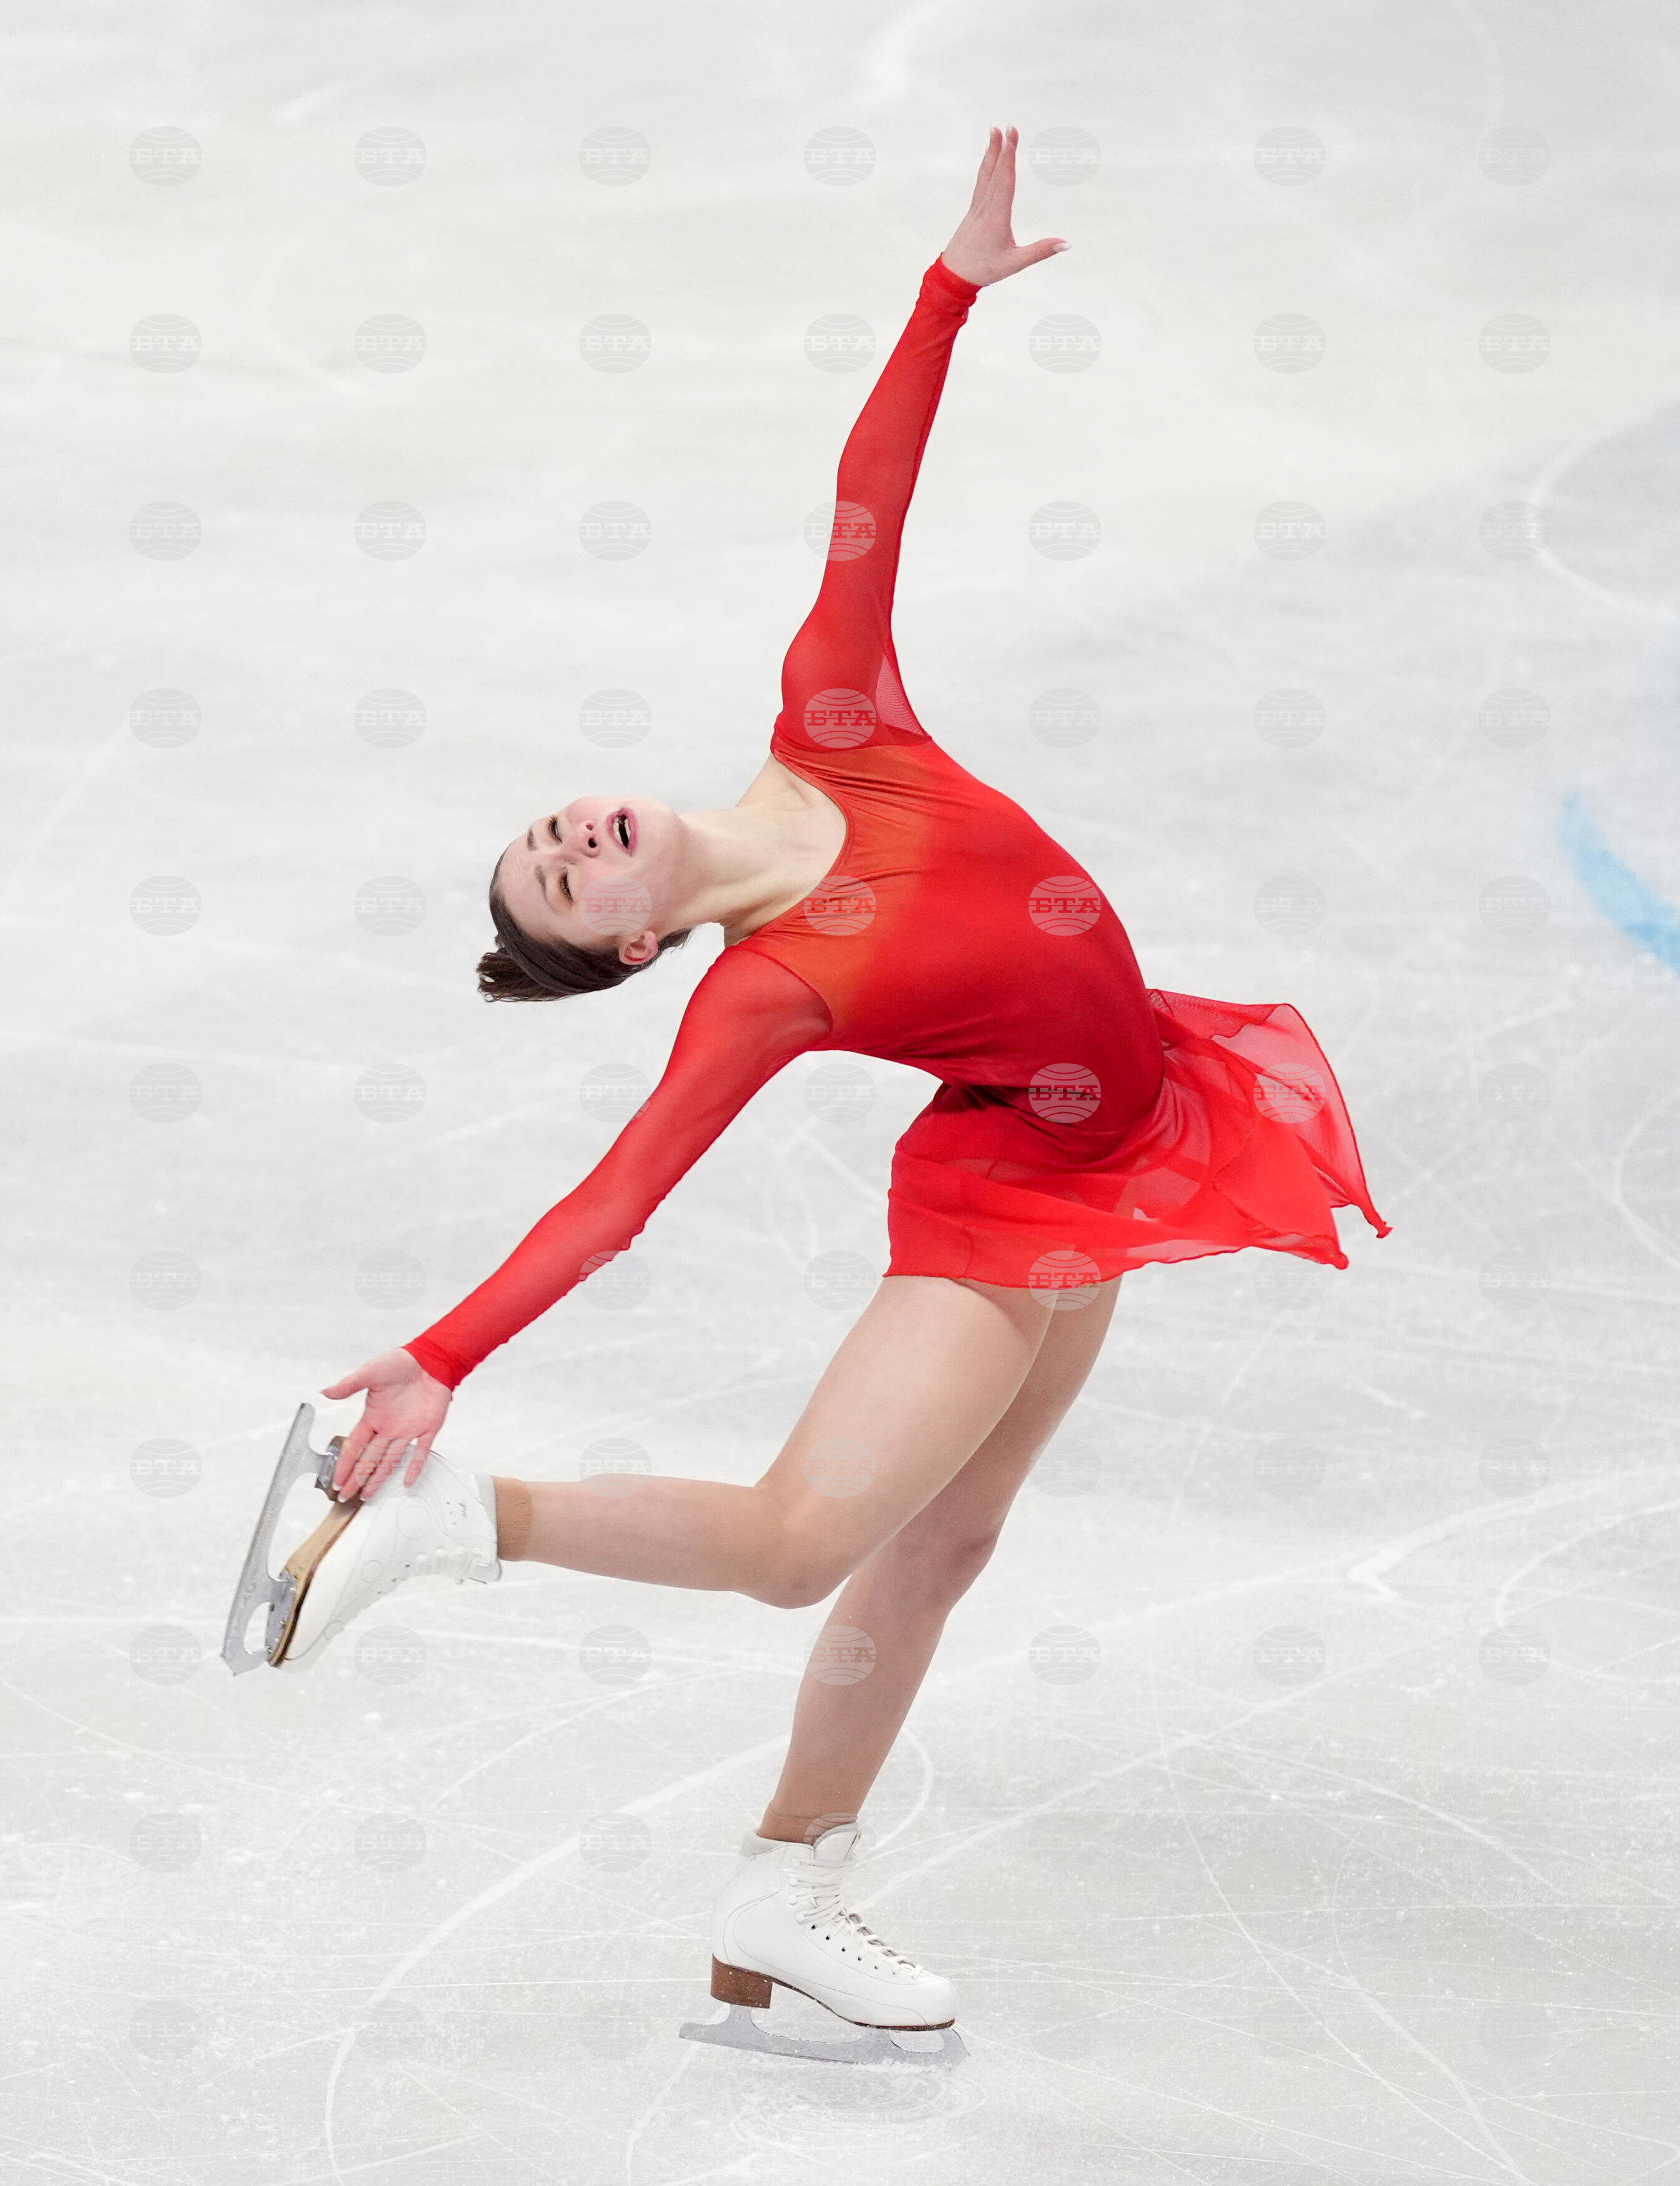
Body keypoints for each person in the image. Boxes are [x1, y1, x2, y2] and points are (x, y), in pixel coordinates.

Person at [226, 126, 1387, 2063]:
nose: (574, 834)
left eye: (554, 825)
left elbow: (872, 495)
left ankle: (782, 1895)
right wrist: (439, 1354)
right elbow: (615, 1202)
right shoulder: (764, 989)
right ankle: (455, 1521)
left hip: (1117, 1142)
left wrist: (944, 294)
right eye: (566, 880)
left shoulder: (836, 720)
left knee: (953, 1539)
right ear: (630, 951)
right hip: (1007, 1194)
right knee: (796, 1545)